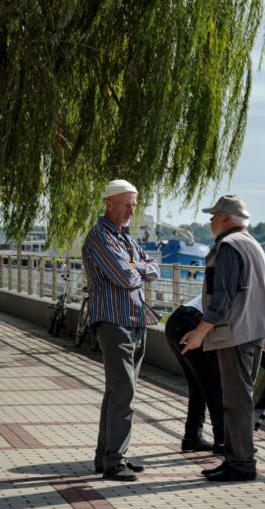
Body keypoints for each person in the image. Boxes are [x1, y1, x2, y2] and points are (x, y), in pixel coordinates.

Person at [179, 195, 265, 483]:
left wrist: (199, 333)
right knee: (238, 400)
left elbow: (222, 296)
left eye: (213, 216)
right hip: (253, 331)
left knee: (236, 401)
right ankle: (235, 459)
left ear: (225, 218)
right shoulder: (252, 244)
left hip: (236, 334)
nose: (210, 221)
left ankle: (242, 464)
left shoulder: (229, 246)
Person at [164, 268, 265, 462]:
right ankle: (225, 443)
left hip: (178, 321)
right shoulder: (255, 294)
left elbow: (257, 340)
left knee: (199, 386)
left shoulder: (247, 286)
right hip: (192, 324)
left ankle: (192, 437)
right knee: (216, 386)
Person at [81, 179, 160, 482]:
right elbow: (126, 277)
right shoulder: (101, 237)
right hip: (114, 323)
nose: (131, 210)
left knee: (117, 392)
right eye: (127, 203)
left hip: (134, 321)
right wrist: (139, 267)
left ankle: (106, 457)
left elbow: (154, 267)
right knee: (123, 392)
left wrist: (137, 266)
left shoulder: (125, 238)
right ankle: (115, 461)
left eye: (134, 204)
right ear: (110, 203)